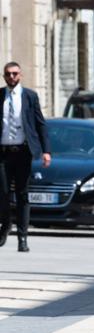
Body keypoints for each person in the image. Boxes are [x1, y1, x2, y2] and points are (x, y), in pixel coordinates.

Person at [0, 62, 51, 252]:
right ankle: (5, 227)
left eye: (14, 74)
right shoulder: (0, 96)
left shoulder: (29, 96)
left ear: (20, 75)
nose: (11, 77)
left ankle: (23, 237)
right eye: (8, 74)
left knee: (22, 194)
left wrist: (46, 151)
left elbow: (40, 124)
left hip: (23, 152)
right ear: (4, 76)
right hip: (3, 153)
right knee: (3, 193)